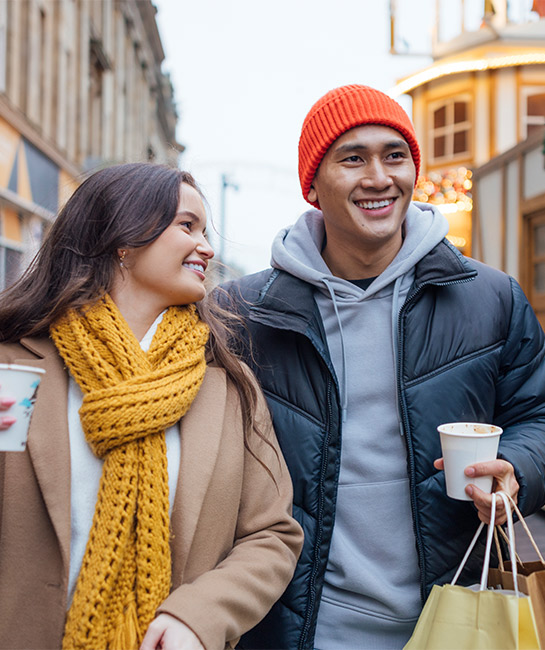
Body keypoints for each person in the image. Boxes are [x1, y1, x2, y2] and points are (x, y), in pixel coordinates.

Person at [221, 84, 545, 649]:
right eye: (353, 158)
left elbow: (538, 415)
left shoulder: (491, 298)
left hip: (453, 623)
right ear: (313, 185)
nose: (378, 177)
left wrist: (517, 469)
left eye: (394, 155)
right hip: (294, 630)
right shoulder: (243, 313)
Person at [0, 162, 303, 650]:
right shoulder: (15, 366)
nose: (206, 246)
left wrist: (200, 617)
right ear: (123, 237)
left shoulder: (226, 386)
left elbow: (272, 535)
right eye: (187, 225)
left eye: (206, 230)